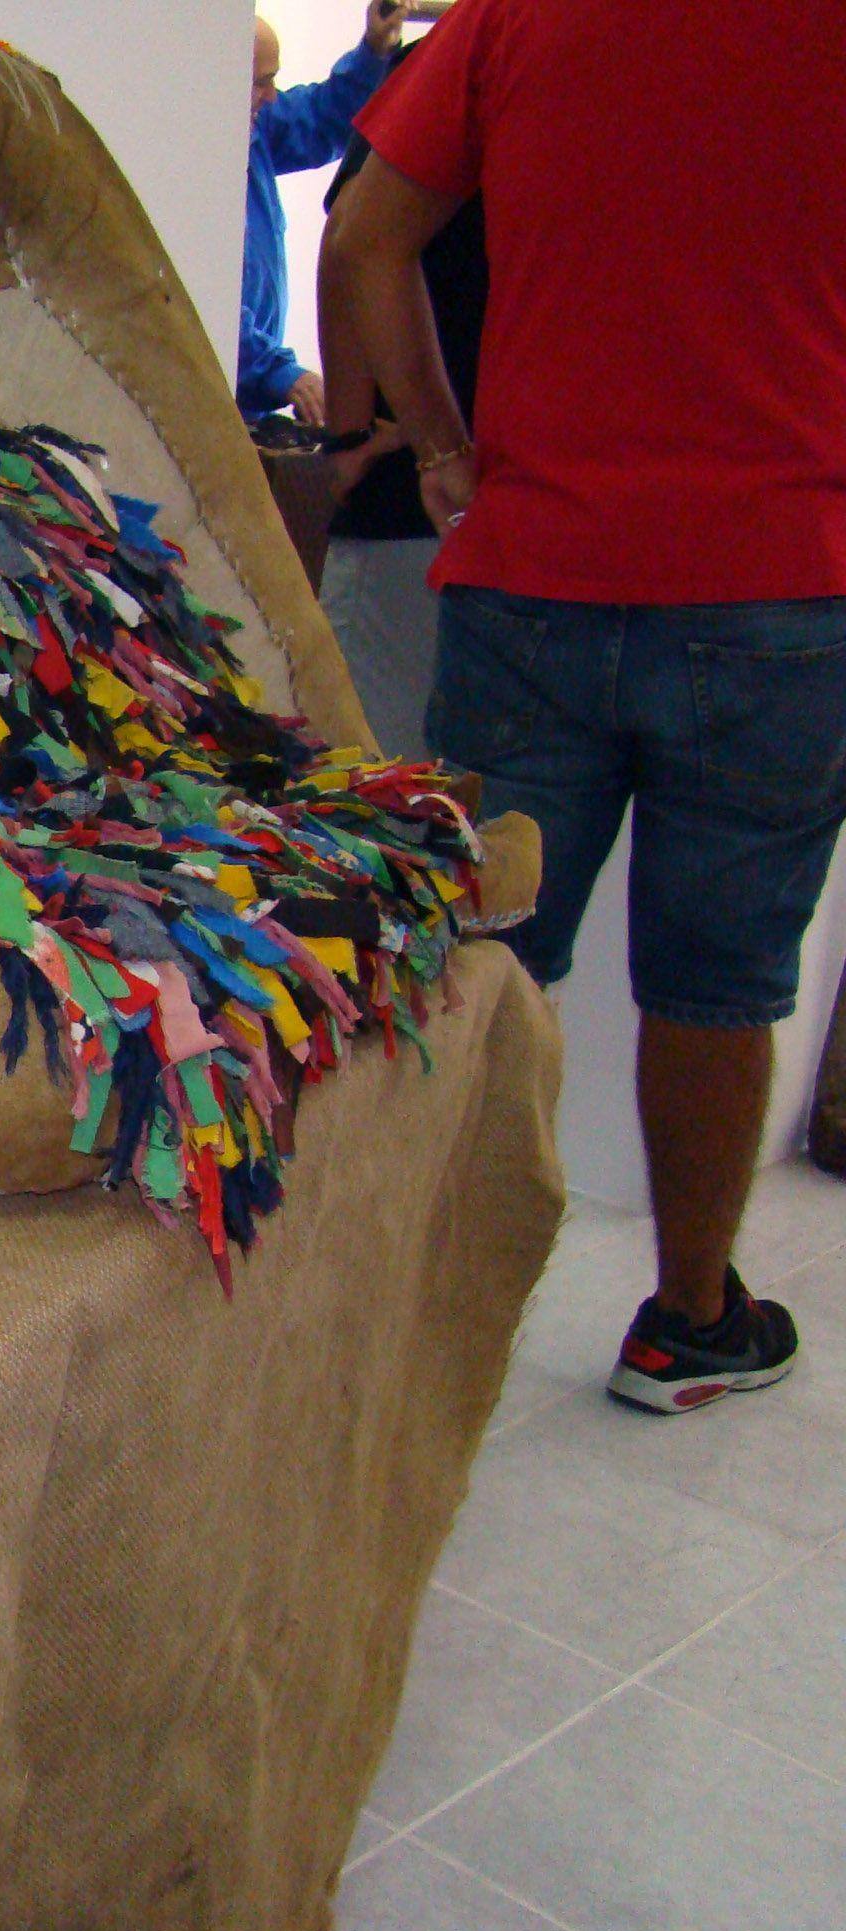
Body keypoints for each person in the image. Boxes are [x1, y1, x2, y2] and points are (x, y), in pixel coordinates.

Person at [324, 0, 846, 1414]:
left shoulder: (518, 16)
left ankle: (405, 1318)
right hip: (783, 584)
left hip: (534, 574)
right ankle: (689, 1323)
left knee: (479, 956)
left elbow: (366, 234)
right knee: (719, 982)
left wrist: (438, 443)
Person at [313, 31, 485, 757]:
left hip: (492, 509)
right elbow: (351, 240)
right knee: (378, 780)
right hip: (416, 506)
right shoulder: (474, 54)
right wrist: (355, 437)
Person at [239, 1, 404, 425]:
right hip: (211, 392)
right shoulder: (190, 168)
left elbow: (325, 116)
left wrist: (375, 50)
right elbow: (202, 305)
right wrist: (280, 374)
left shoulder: (252, 129)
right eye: (260, 83)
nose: (271, 96)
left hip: (244, 401)